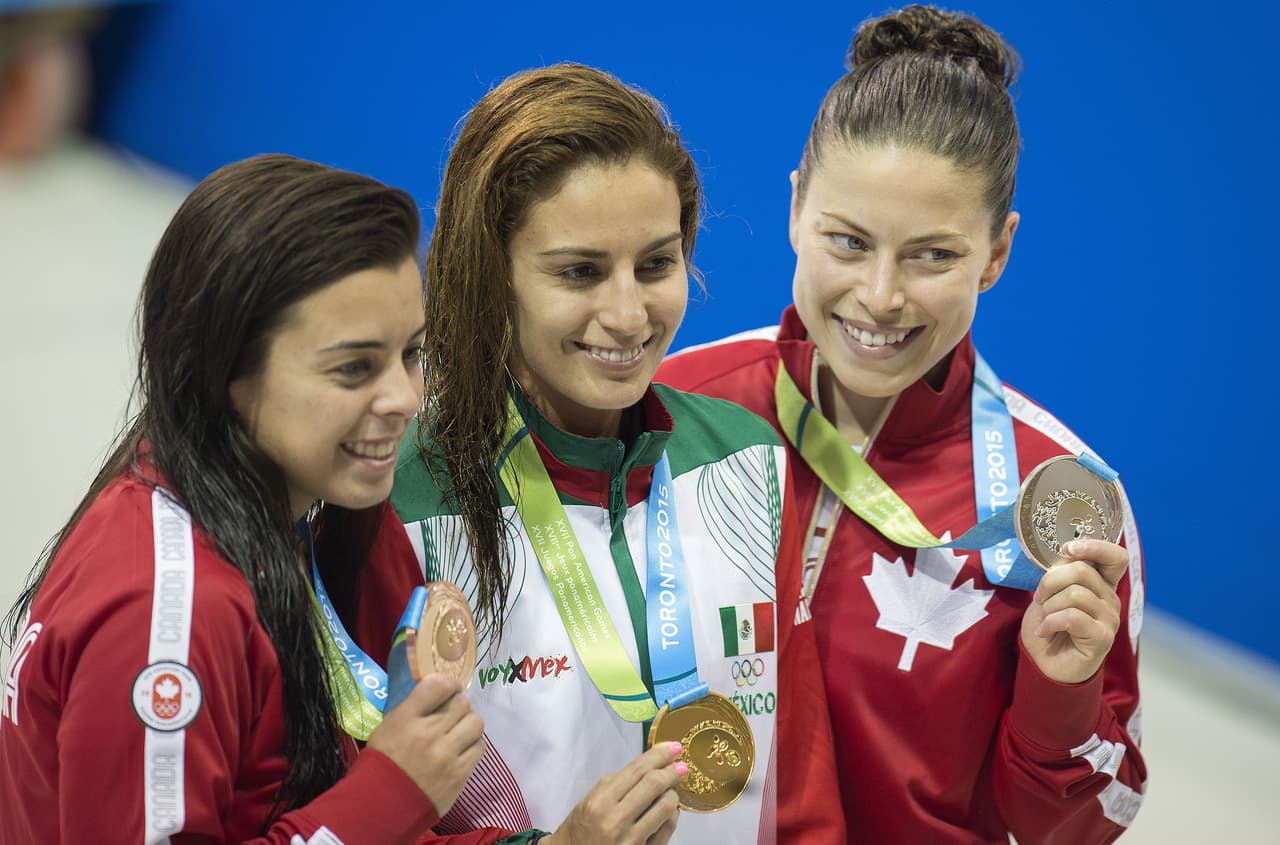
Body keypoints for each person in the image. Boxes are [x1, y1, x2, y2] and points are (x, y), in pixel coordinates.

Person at [658, 6, 1147, 843]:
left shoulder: (1064, 506)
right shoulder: (678, 405)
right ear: (796, 209)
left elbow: (1082, 824)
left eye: (933, 255)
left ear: (997, 253)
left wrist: (1061, 692)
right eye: (848, 242)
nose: (880, 297)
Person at [371, 64, 843, 844]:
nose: (628, 315)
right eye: (580, 272)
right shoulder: (400, 499)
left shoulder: (746, 460)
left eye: (655, 264)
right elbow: (362, 816)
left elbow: (801, 789)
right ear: (492, 275)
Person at [0, 154, 487, 844]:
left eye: (411, 353)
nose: (406, 399)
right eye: (354, 368)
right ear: (227, 369)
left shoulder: (276, 509)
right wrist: (393, 792)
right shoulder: (167, 610)